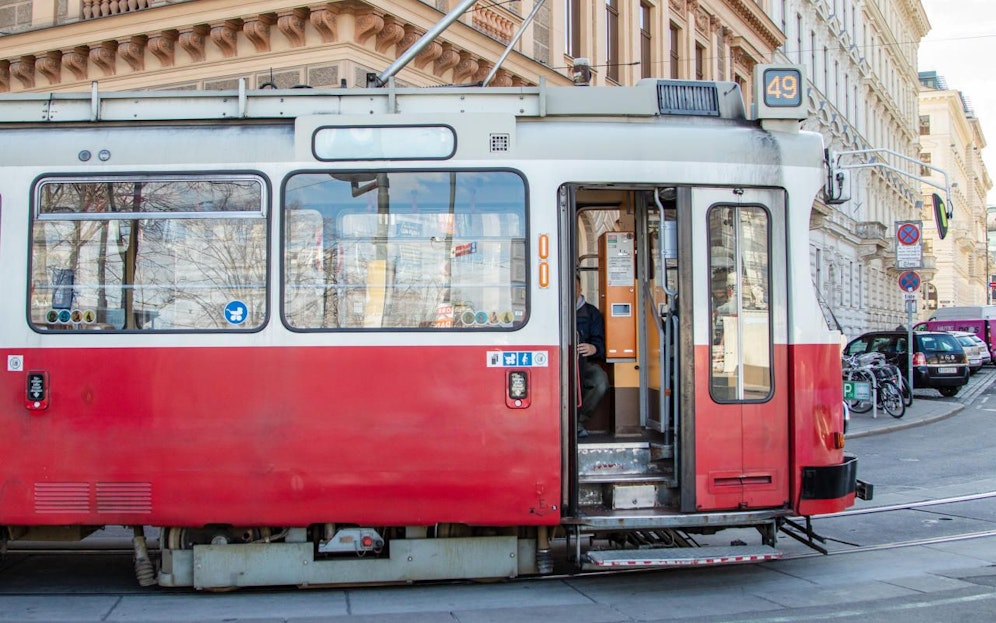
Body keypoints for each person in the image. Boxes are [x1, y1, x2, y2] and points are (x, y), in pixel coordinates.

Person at [576, 276, 609, 438]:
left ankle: (577, 420)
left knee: (600, 381)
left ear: (580, 289)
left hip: (584, 364)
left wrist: (593, 348)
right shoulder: (553, 310)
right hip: (557, 365)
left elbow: (602, 344)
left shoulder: (591, 313)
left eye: (574, 287)